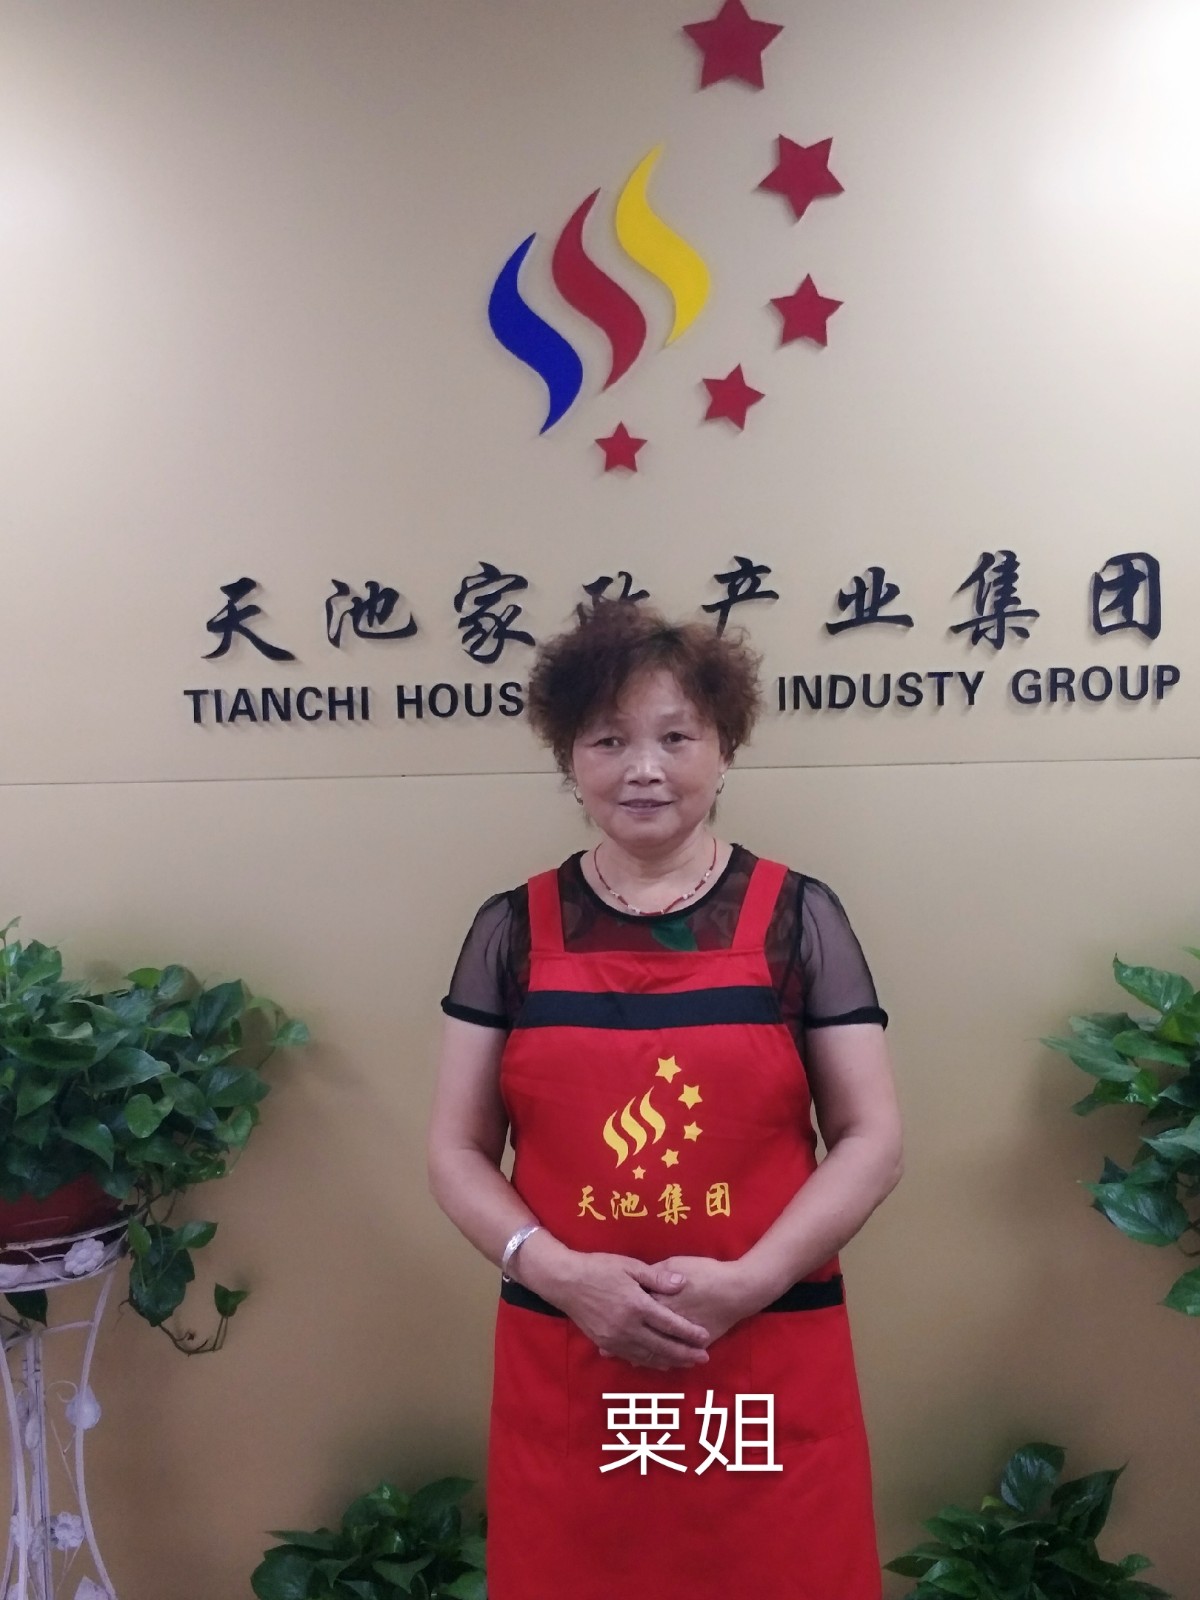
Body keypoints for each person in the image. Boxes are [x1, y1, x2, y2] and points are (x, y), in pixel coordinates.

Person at [427, 602, 902, 1600]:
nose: (643, 768)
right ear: (571, 760)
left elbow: (871, 1139)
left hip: (762, 1350)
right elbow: (457, 1151)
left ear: (724, 751)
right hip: (574, 1355)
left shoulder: (800, 919)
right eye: (609, 740)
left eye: (676, 737)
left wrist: (750, 1280)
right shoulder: (511, 931)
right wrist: (559, 1273)